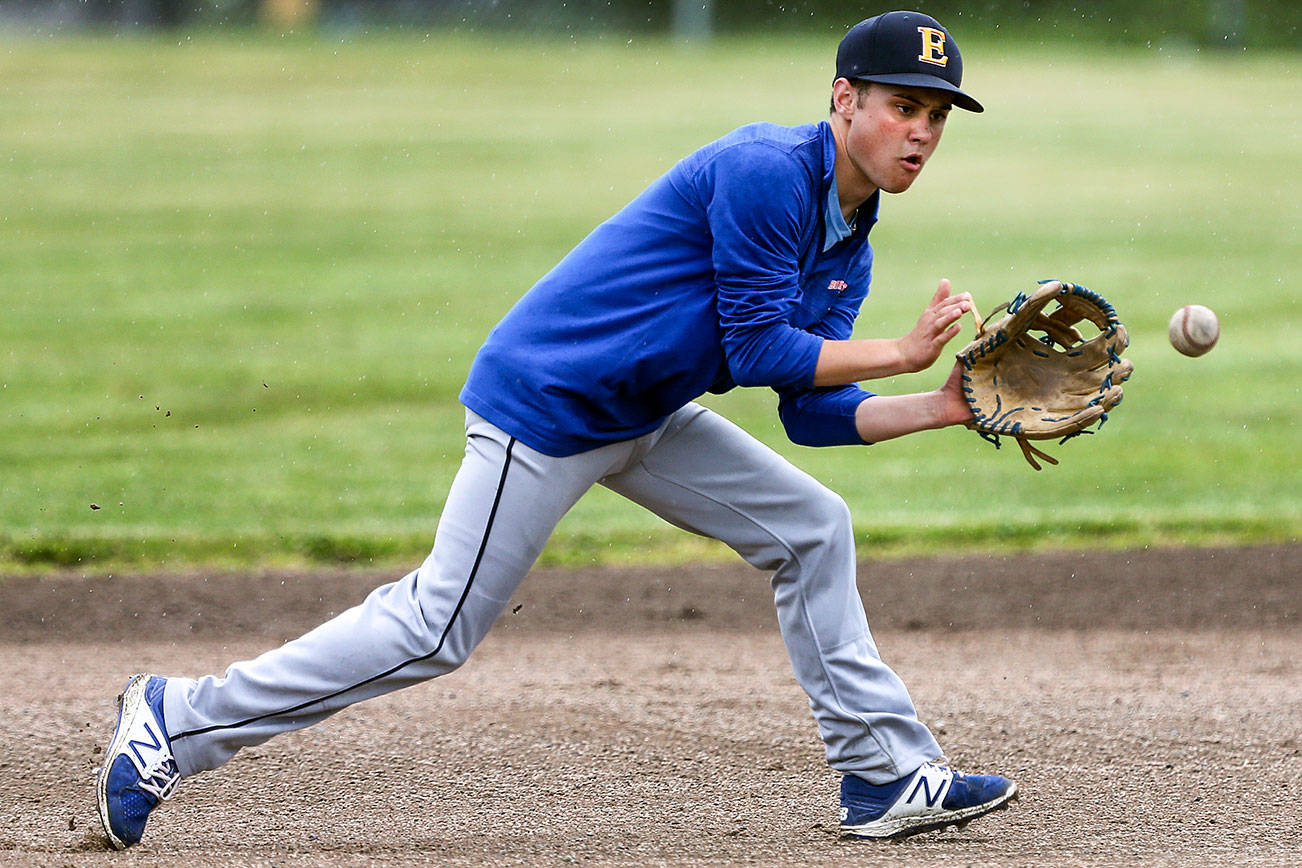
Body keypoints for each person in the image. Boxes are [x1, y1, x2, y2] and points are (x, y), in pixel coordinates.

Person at [96, 10, 1017, 849]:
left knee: (812, 526)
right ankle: (177, 719)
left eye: (938, 117)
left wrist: (936, 405)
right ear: (844, 98)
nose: (924, 134)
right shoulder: (768, 173)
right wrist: (899, 354)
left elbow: (811, 414)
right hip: (549, 403)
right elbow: (762, 347)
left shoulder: (851, 233)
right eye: (906, 107)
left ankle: (883, 774)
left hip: (645, 411)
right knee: (435, 628)